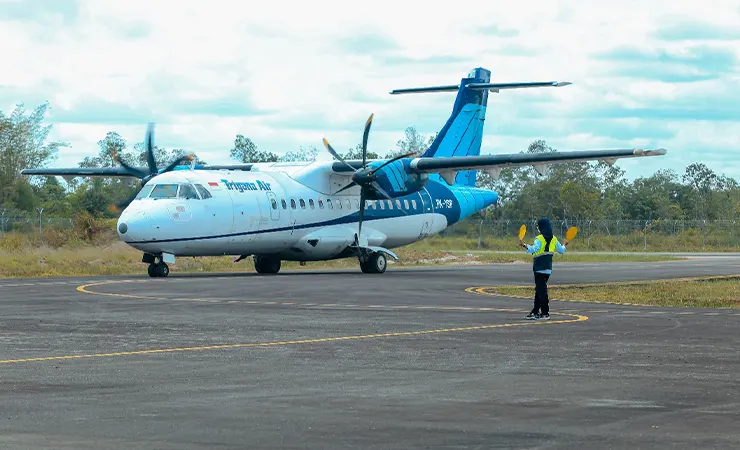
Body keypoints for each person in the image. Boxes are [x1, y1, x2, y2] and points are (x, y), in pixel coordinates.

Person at [518, 217, 569, 320]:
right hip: (548, 269)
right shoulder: (554, 238)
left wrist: (523, 245)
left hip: (539, 267)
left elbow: (534, 249)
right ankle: (535, 311)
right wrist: (564, 244)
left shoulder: (539, 238)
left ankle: (545, 313)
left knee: (542, 291)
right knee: (539, 290)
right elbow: (561, 250)